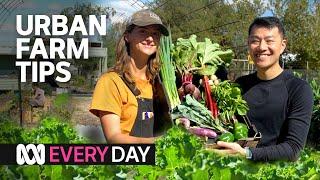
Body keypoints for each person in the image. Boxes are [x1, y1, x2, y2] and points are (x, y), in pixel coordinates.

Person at [215, 17, 313, 161]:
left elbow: (293, 148)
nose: (261, 47)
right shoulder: (239, 86)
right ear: (248, 44)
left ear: (283, 45)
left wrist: (248, 154)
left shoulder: (298, 89)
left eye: (269, 41)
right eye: (255, 40)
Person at [89, 9, 170, 144]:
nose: (150, 38)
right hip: (128, 161)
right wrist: (159, 144)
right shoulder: (111, 81)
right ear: (127, 36)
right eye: (143, 31)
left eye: (155, 33)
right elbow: (114, 138)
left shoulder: (158, 83)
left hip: (158, 161)